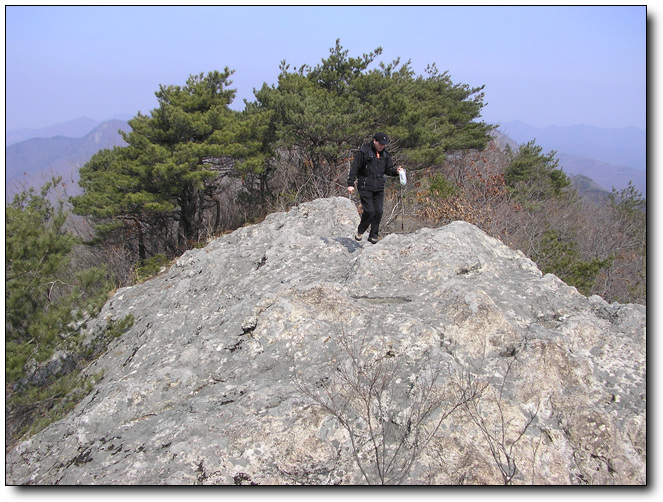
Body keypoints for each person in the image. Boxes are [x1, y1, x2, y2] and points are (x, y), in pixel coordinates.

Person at [347, 132, 404, 244]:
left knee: (379, 211)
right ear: (374, 141)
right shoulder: (364, 152)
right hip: (365, 186)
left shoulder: (385, 155)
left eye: (384, 144)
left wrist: (396, 171)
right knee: (369, 210)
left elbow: (388, 169)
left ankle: (373, 235)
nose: (382, 146)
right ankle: (360, 230)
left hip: (379, 187)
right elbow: (355, 168)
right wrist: (350, 183)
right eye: (380, 143)